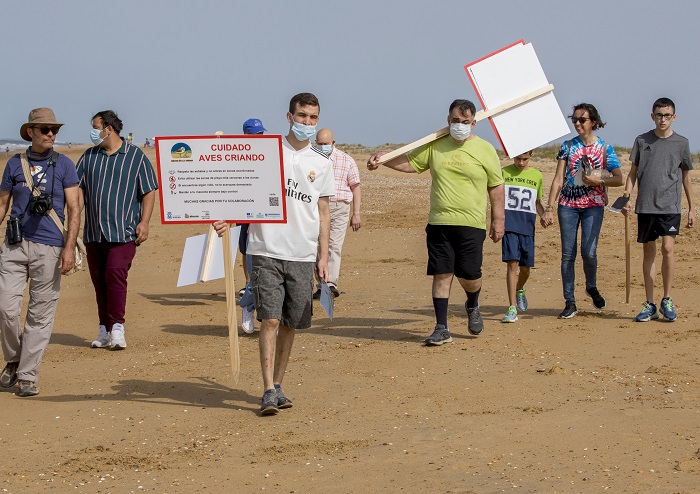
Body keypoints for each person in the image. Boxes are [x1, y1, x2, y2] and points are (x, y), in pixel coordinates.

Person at [214, 93, 333, 415]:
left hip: (302, 253)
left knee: (291, 324)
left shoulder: (322, 163)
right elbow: (241, 189)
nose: (307, 122)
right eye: (302, 115)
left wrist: (324, 256)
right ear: (289, 116)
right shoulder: (266, 153)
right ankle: (267, 388)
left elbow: (323, 212)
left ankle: (278, 384)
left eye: (312, 117)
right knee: (269, 318)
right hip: (264, 248)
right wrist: (226, 215)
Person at [367, 99, 505, 345]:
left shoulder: (485, 150)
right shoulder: (436, 145)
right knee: (442, 274)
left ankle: (472, 304)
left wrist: (498, 220)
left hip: (472, 223)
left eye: (465, 122)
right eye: (455, 121)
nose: (459, 126)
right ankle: (441, 327)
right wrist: (384, 159)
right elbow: (411, 164)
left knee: (469, 275)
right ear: (448, 120)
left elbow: (495, 185)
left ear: (474, 123)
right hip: (440, 222)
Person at [0, 107, 80, 397]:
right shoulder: (13, 164)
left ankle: (27, 376)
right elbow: (2, 205)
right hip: (14, 244)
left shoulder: (65, 165)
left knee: (40, 314)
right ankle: (14, 359)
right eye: (44, 129)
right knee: (5, 308)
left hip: (50, 247)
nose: (50, 134)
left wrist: (69, 248)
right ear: (30, 132)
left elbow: (75, 208)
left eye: (54, 130)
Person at [76, 110, 159, 350]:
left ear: (108, 129)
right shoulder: (89, 157)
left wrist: (144, 222)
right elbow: (77, 189)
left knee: (114, 274)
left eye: (95, 127)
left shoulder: (135, 157)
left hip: (123, 231)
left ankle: (118, 327)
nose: (93, 132)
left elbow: (149, 190)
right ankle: (104, 329)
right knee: (98, 279)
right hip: (93, 231)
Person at [543, 103, 623, 319]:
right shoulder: (567, 146)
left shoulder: (605, 148)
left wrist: (598, 178)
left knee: (589, 251)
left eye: (582, 120)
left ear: (593, 122)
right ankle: (569, 301)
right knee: (567, 254)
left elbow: (618, 178)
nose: (577, 123)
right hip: (567, 206)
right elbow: (559, 178)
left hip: (594, 205)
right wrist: (549, 207)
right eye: (574, 119)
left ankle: (591, 286)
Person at [623, 97, 694, 322]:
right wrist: (626, 197)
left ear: (674, 117)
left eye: (667, 115)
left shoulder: (681, 143)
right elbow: (633, 172)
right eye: (658, 115)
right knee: (649, 252)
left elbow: (686, 176)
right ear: (652, 116)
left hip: (670, 206)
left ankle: (667, 298)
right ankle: (650, 302)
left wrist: (692, 208)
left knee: (668, 248)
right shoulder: (642, 140)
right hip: (645, 206)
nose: (662, 119)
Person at [500, 150, 550, 322]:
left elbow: (537, 202)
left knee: (526, 269)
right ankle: (512, 307)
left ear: (531, 156)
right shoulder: (504, 173)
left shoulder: (536, 175)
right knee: (512, 264)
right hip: (509, 226)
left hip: (527, 227)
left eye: (524, 159)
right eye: (517, 159)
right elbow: (497, 198)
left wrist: (544, 215)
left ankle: (519, 288)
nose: (520, 163)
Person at [312, 128, 361, 299]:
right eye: (320, 144)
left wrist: (356, 213)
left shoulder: (346, 160)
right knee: (317, 245)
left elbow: (355, 187)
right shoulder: (311, 159)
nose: (323, 146)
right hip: (317, 206)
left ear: (333, 143)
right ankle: (321, 284)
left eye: (326, 144)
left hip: (340, 206)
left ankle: (331, 283)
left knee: (334, 244)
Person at [237, 118, 268, 334]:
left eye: (261, 135)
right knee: (250, 260)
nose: (259, 138)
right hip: (248, 220)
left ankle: (269, 317)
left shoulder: (270, 155)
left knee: (271, 272)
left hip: (271, 218)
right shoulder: (237, 157)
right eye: (254, 135)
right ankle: (248, 307)